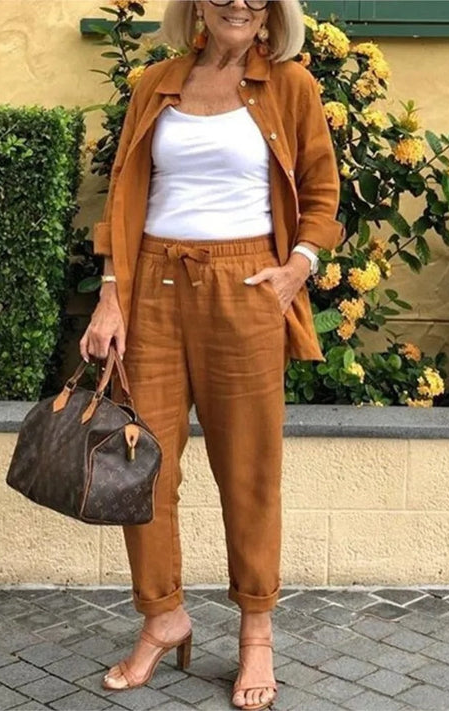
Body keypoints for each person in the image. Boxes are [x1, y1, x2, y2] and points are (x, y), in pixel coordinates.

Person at [80, 0, 345, 708]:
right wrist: (111, 295)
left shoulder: (291, 85)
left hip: (245, 288)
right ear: (197, 2)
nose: (240, 4)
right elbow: (124, 194)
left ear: (271, 10)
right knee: (141, 466)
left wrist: (297, 269)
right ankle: (162, 615)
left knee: (249, 470)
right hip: (153, 288)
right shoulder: (157, 82)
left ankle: (256, 631)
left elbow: (321, 191)